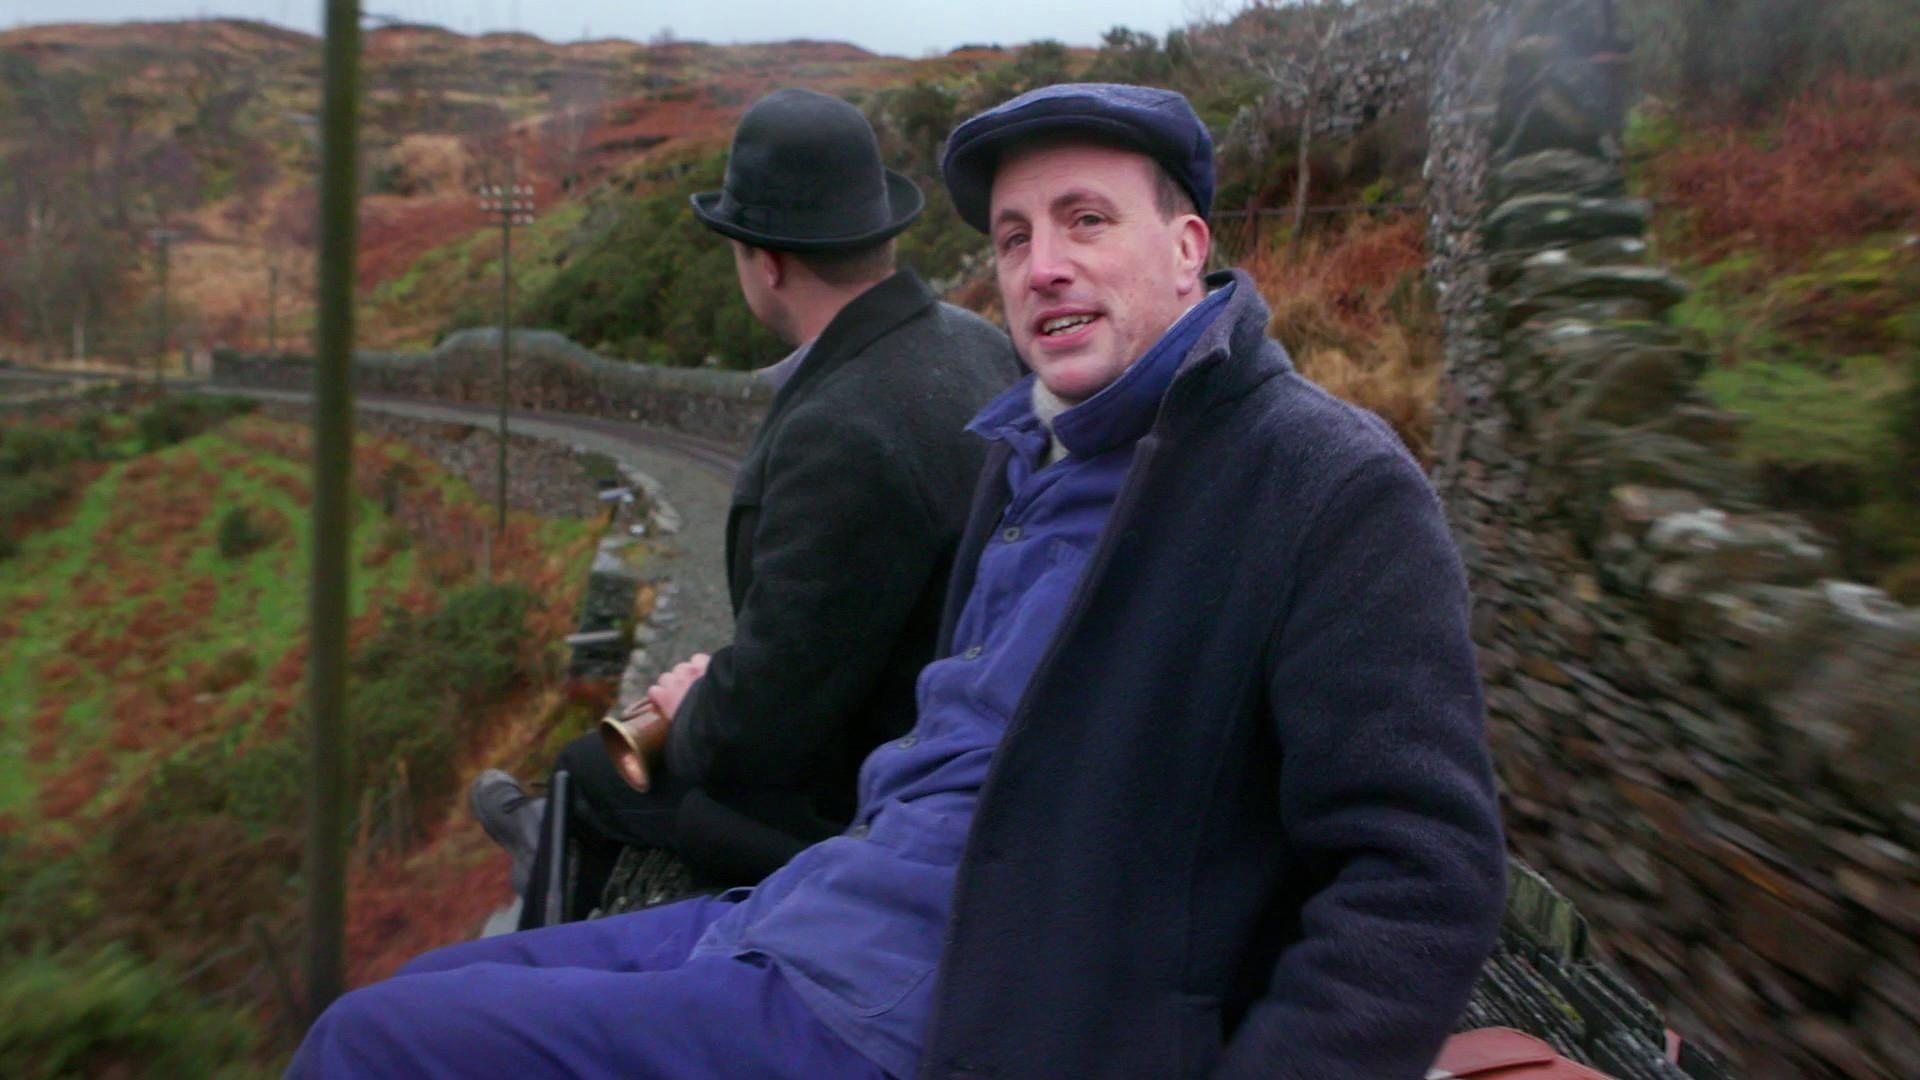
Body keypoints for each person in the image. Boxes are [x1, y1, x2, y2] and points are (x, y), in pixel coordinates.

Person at [293, 83, 1505, 1079]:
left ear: (1188, 248)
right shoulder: (1029, 452)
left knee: (368, 1050)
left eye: (1086, 220)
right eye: (1014, 238)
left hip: (936, 1013)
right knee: (415, 991)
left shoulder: (1322, 482)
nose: (1041, 266)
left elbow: (1422, 874)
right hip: (808, 911)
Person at [472, 87, 1019, 928]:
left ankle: (552, 877)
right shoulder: (977, 341)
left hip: (875, 799)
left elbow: (765, 731)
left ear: (766, 263)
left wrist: (694, 705)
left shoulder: (840, 433)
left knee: (591, 770)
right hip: (966, 737)